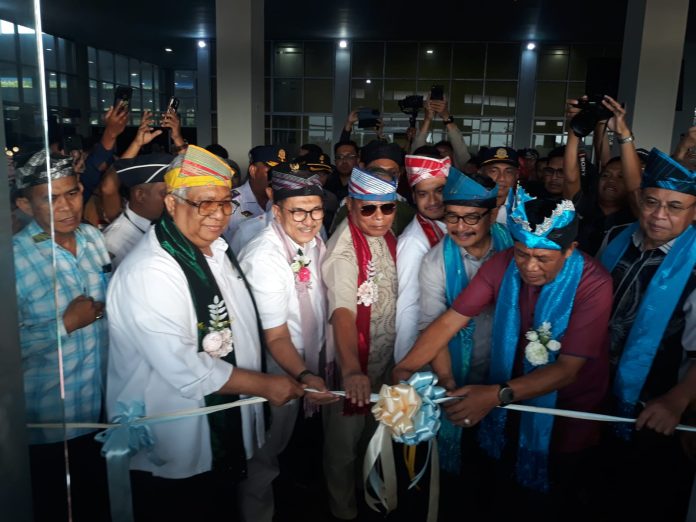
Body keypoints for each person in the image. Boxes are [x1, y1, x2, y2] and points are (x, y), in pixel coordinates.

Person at [106, 145, 304, 520]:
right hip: (178, 444)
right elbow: (184, 368)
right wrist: (266, 385)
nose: (218, 215)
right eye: (204, 204)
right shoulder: (151, 271)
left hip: (219, 435)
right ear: (171, 203)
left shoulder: (213, 248)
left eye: (225, 203)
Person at [395, 186, 612, 521]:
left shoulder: (594, 283)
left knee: (552, 495)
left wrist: (495, 395)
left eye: (543, 258)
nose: (529, 267)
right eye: (522, 254)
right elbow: (452, 320)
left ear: (570, 250)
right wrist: (406, 367)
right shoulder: (503, 263)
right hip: (510, 395)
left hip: (568, 408)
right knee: (502, 491)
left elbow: (568, 369)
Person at [13, 150, 111, 521]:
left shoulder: (92, 238)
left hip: (102, 409)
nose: (66, 207)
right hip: (50, 423)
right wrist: (65, 324)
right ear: (25, 205)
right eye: (50, 199)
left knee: (100, 504)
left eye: (72, 193)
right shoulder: (14, 260)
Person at [599, 147, 696, 521]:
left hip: (656, 407)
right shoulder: (617, 238)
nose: (658, 215)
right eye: (652, 202)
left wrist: (677, 399)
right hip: (596, 390)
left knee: (644, 497)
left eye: (675, 206)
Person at [237, 163, 337, 522]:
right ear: (276, 210)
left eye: (316, 210)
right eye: (298, 212)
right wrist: (305, 375)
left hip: (310, 358)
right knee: (265, 449)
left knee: (294, 443)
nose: (309, 221)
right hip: (278, 364)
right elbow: (275, 335)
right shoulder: (264, 256)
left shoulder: (313, 240)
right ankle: (256, 512)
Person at [321, 166, 399, 521]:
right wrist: (352, 370)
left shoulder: (386, 234)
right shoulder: (345, 249)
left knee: (373, 439)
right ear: (351, 205)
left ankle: (367, 499)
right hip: (351, 365)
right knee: (343, 448)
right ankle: (343, 511)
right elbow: (342, 313)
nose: (379, 216)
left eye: (387, 207)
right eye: (368, 208)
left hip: (383, 362)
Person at [564, 95, 637, 255]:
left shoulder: (635, 216)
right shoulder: (583, 206)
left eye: (620, 177)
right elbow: (570, 178)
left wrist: (623, 132)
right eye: (606, 175)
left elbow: (635, 188)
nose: (611, 180)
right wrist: (574, 128)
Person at [394, 150, 449, 363]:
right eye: (423, 194)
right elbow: (408, 306)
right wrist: (407, 363)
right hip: (427, 347)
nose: (433, 201)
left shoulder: (452, 225)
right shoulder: (414, 241)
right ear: (414, 197)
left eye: (439, 191)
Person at [103, 153, 172, 267]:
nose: (171, 199)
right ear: (140, 195)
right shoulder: (114, 242)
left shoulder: (166, 225)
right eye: (164, 193)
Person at [223, 145, 286, 244]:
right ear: (253, 171)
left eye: (282, 174)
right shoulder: (229, 202)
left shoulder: (284, 202)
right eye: (272, 173)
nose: (278, 179)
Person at [410, 96, 471, 170]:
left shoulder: (461, 170)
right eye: (437, 152)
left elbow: (459, 144)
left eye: (445, 151)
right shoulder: (426, 174)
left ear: (453, 155)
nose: (441, 154)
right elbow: (417, 152)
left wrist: (446, 117)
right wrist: (427, 119)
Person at [478, 146, 520, 224]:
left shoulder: (523, 211)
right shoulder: (466, 206)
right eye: (494, 171)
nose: (501, 178)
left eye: (508, 172)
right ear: (481, 173)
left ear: (516, 175)